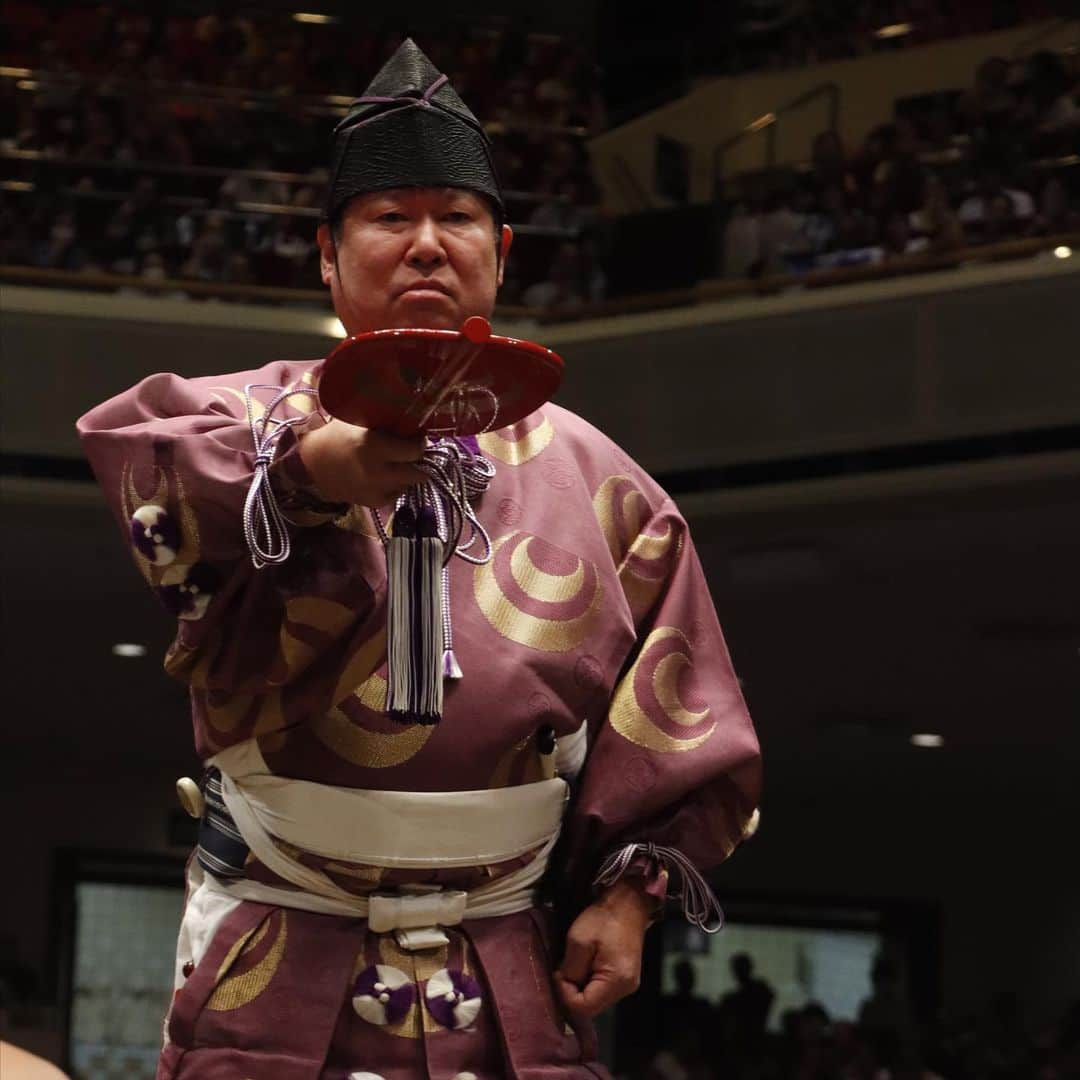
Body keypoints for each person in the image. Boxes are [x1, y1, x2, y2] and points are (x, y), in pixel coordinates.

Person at [77, 40, 761, 1079]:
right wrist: (308, 471)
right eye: (392, 220)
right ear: (326, 253)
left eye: (459, 219)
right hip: (276, 933)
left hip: (510, 958)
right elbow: (151, 474)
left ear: (502, 248)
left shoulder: (606, 482)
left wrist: (628, 899)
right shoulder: (244, 418)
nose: (428, 246)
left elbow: (684, 714)